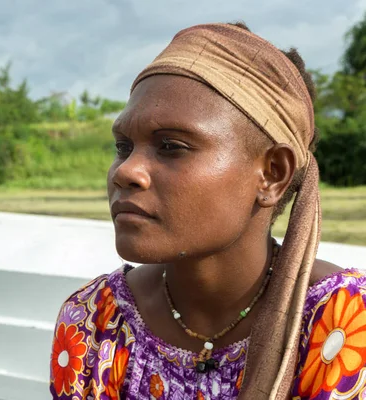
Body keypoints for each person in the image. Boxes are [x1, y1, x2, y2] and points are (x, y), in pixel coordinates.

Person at [49, 22, 366, 400]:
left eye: (171, 146)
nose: (125, 171)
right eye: (122, 146)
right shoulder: (95, 320)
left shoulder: (343, 321)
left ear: (271, 175)